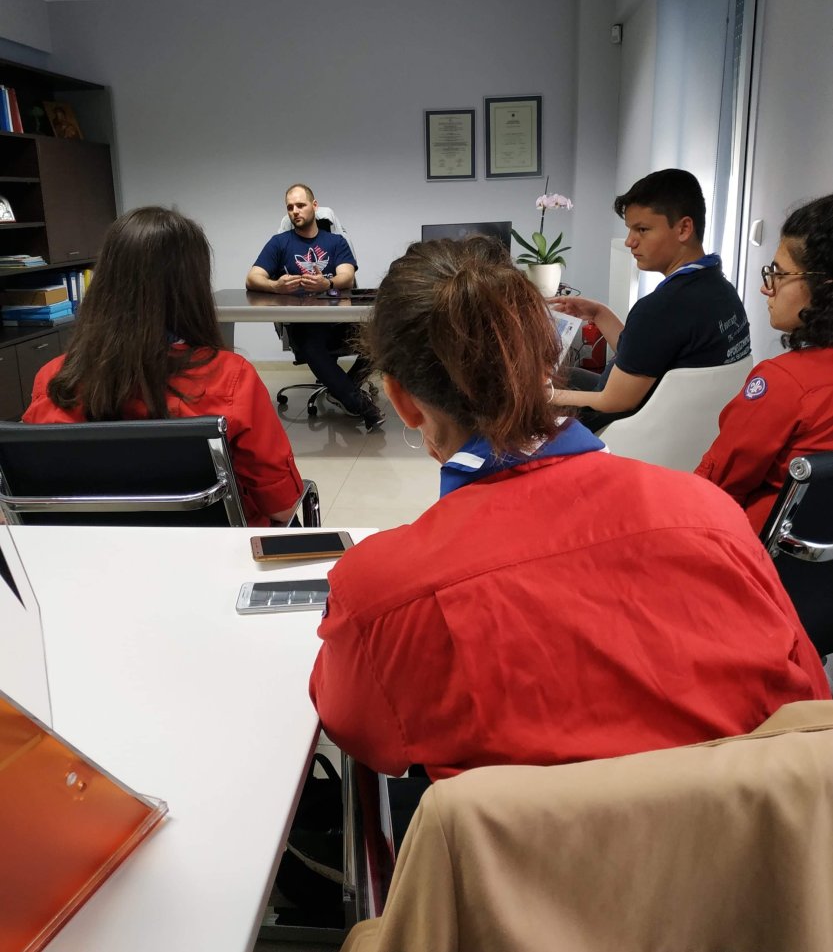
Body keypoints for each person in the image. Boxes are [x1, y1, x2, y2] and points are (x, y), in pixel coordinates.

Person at [309, 235, 828, 782]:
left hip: (509, 838)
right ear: (546, 362)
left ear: (401, 399)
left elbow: (356, 729)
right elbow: (810, 708)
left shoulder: (380, 594)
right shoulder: (715, 519)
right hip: (742, 830)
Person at [24, 206, 303, 526]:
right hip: (210, 552)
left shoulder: (54, 379)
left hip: (90, 552)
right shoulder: (231, 378)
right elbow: (282, 508)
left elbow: (36, 494)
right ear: (192, 288)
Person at [551, 169, 750, 432]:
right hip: (679, 422)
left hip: (626, 424)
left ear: (684, 228)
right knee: (568, 375)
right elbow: (644, 354)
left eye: (642, 230)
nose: (629, 242)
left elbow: (614, 401)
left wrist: (549, 395)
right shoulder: (720, 289)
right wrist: (599, 313)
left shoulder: (661, 308)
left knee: (528, 397)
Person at [696, 195, 833, 532]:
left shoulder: (785, 383)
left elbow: (717, 485)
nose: (765, 288)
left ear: (824, 288)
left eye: (779, 274)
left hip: (752, 552)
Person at [246, 183, 384, 430]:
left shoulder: (336, 241)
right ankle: (361, 406)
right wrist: (276, 286)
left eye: (300, 205)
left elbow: (347, 276)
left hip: (340, 320)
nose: (295, 211)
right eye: (290, 207)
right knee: (310, 344)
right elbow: (252, 278)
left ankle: (342, 389)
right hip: (305, 324)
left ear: (314, 206)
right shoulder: (279, 243)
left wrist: (327, 283)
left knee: (381, 338)